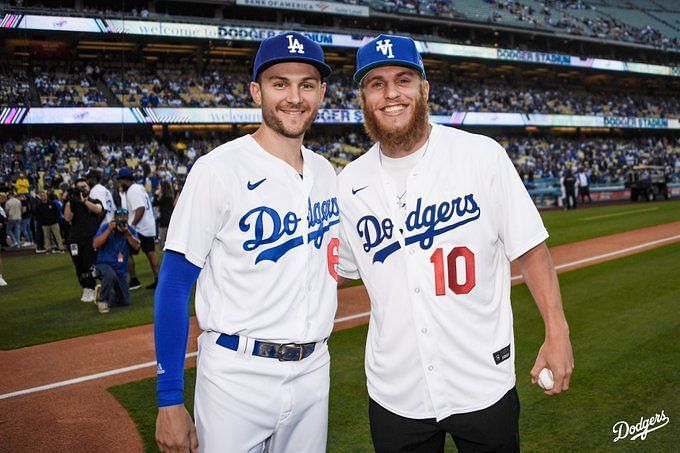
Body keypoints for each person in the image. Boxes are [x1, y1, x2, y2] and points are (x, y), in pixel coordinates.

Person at [337, 34, 574, 452]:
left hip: (481, 380)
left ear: (425, 89)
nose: (391, 93)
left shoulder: (481, 156)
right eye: (376, 83)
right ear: (363, 97)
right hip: (397, 392)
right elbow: (335, 273)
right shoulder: (347, 184)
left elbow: (531, 249)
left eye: (404, 79)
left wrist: (558, 333)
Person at [153, 32, 338, 453]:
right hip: (236, 373)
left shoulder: (327, 173)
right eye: (279, 83)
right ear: (256, 91)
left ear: (322, 92)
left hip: (314, 370)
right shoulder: (217, 169)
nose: (294, 97)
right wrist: (169, 399)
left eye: (306, 84)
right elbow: (176, 285)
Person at [117, 168, 159, 290]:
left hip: (140, 227)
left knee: (126, 252)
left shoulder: (132, 190)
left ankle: (134, 280)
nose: (119, 183)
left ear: (125, 180)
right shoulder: (138, 187)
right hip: (147, 225)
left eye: (120, 181)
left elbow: (140, 208)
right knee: (150, 252)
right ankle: (158, 279)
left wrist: (132, 225)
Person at [92, 208, 140, 314]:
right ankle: (102, 301)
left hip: (120, 270)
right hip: (104, 264)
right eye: (119, 218)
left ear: (127, 219)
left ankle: (105, 291)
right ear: (115, 218)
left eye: (124, 218)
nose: (122, 220)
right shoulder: (106, 227)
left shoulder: (129, 230)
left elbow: (136, 246)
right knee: (110, 275)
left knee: (125, 301)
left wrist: (127, 233)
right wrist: (109, 230)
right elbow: (95, 244)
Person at [64, 178, 104, 303]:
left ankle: (93, 286)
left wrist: (84, 201)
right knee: (78, 264)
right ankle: (86, 288)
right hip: (76, 239)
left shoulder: (94, 201)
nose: (83, 189)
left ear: (88, 188)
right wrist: (70, 202)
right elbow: (67, 218)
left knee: (90, 263)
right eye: (79, 187)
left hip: (91, 239)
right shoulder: (72, 204)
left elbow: (98, 210)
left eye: (84, 186)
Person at [153, 180, 175, 249]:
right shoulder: (170, 196)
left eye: (159, 186)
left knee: (163, 236)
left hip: (164, 219)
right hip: (168, 218)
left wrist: (156, 195)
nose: (158, 187)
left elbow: (155, 203)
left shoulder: (165, 197)